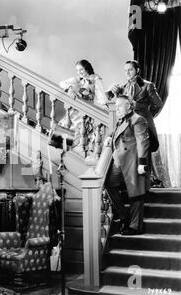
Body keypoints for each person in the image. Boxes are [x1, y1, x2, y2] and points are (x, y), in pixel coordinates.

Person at [104, 95, 150, 235]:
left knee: (135, 194)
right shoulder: (122, 120)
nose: (116, 108)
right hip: (119, 162)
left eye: (119, 106)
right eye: (116, 106)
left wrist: (142, 163)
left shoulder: (138, 119)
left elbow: (143, 141)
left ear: (129, 106)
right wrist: (109, 136)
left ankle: (135, 226)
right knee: (109, 184)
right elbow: (116, 131)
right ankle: (124, 216)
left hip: (132, 162)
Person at [106, 60, 163, 153]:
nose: (127, 72)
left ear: (137, 70)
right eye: (125, 70)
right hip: (127, 127)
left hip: (142, 127)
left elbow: (158, 105)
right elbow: (120, 107)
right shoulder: (123, 88)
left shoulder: (148, 86)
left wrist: (145, 115)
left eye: (130, 70)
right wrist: (116, 94)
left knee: (143, 152)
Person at [59, 59, 108, 150]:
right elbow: (61, 83)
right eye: (77, 70)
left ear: (87, 68)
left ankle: (70, 155)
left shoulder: (95, 79)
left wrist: (104, 108)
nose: (79, 72)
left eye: (81, 69)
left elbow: (102, 98)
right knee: (62, 134)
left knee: (77, 136)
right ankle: (61, 153)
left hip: (86, 111)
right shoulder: (77, 79)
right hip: (74, 111)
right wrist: (70, 88)